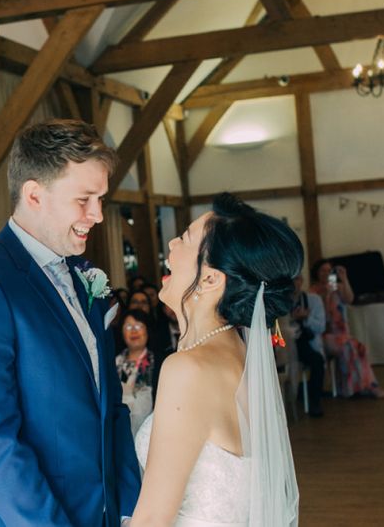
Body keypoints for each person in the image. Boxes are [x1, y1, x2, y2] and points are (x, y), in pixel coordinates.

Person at [0, 119, 140, 526]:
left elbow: (110, 410)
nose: (97, 215)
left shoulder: (85, 281)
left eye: (100, 198)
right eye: (84, 199)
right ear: (34, 195)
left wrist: (131, 508)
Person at [128, 193, 302, 526]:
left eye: (185, 238)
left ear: (211, 278)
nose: (172, 244)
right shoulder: (237, 354)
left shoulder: (188, 369)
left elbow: (152, 519)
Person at [309, 260, 384, 399]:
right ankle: (357, 388)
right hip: (325, 335)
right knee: (349, 346)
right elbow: (322, 316)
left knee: (359, 347)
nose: (327, 273)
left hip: (342, 334)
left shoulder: (337, 287)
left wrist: (344, 278)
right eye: (323, 270)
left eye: (329, 270)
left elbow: (349, 299)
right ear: (317, 273)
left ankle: (362, 386)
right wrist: (326, 295)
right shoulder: (313, 292)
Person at [116, 309, 158, 436]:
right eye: (128, 326)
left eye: (139, 326)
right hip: (119, 430)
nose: (133, 330)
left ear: (147, 330)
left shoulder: (160, 362)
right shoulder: (113, 362)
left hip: (149, 432)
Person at [291, 273, 326, 417]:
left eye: (297, 279)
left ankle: (315, 401)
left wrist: (306, 318)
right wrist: (292, 318)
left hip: (306, 342)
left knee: (317, 360)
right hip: (285, 343)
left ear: (302, 281)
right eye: (291, 280)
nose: (294, 284)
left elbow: (321, 327)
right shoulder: (280, 301)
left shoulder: (313, 300)